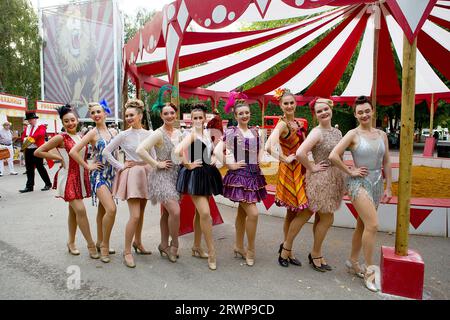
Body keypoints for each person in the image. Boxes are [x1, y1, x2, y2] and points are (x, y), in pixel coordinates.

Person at [329, 95, 392, 292]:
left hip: (376, 184)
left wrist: (389, 186)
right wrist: (351, 171)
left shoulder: (382, 135)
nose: (364, 114)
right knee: (372, 225)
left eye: (367, 111)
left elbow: (387, 162)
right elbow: (333, 155)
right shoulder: (352, 134)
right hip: (358, 184)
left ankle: (353, 261)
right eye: (360, 112)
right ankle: (369, 271)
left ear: (372, 111)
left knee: (362, 225)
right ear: (356, 115)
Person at [34, 104, 99, 259]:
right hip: (68, 177)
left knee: (74, 211)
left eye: (72, 120)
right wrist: (58, 157)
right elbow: (38, 152)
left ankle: (70, 242)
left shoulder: (81, 137)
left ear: (77, 120)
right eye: (66, 121)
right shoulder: (60, 137)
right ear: (62, 123)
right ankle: (91, 244)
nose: (70, 123)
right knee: (81, 211)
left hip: (81, 178)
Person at [214, 98, 267, 267]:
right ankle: (250, 249)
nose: (244, 115)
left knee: (243, 213)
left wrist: (260, 160)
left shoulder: (255, 132)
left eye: (247, 113)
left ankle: (238, 245)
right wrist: (230, 164)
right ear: (235, 115)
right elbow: (216, 150)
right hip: (240, 176)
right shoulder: (231, 132)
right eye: (241, 113)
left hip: (254, 175)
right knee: (253, 213)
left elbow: (259, 150)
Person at [102, 99, 155, 268]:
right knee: (135, 215)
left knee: (142, 212)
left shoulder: (149, 134)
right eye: (126, 116)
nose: (129, 118)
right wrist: (120, 166)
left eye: (132, 115)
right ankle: (126, 251)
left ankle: (138, 242)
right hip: (132, 175)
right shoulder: (123, 135)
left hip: (146, 173)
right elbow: (106, 152)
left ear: (139, 116)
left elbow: (153, 157)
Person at [296, 98, 346, 272]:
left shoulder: (338, 133)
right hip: (321, 179)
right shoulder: (317, 132)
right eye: (319, 111)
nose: (324, 112)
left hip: (333, 178)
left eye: (326, 109)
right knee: (325, 217)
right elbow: (300, 153)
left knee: (315, 216)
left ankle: (289, 248)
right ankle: (314, 253)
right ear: (315, 115)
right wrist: (312, 167)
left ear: (331, 109)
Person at [265, 88, 312, 268]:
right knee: (292, 212)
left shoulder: (296, 123)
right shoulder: (282, 124)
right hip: (290, 171)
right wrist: (284, 158)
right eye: (286, 103)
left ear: (296, 104)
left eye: (292, 102)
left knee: (292, 212)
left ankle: (286, 248)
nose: (289, 105)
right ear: (281, 105)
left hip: (299, 170)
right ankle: (286, 250)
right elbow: (269, 146)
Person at [174, 103, 223, 270]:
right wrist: (187, 164)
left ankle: (196, 246)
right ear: (191, 120)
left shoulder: (208, 134)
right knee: (205, 213)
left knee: (199, 213)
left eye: (200, 117)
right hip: (194, 175)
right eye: (194, 118)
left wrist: (215, 159)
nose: (197, 120)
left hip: (207, 174)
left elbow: (213, 153)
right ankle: (212, 251)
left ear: (204, 119)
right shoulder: (192, 135)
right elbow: (177, 150)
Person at [69, 101, 118, 263]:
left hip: (112, 176)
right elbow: (73, 151)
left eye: (99, 111)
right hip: (99, 176)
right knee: (111, 209)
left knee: (103, 212)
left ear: (105, 114)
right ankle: (104, 245)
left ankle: (99, 241)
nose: (96, 114)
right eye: (93, 113)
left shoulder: (113, 131)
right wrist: (87, 166)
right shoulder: (92, 134)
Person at [137, 96, 182, 263]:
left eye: (172, 113)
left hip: (176, 176)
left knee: (167, 213)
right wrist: (157, 164)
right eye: (166, 113)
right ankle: (174, 245)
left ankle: (163, 244)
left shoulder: (180, 133)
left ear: (175, 115)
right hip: (161, 177)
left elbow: (184, 154)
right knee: (175, 211)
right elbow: (141, 150)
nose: (169, 116)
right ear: (161, 116)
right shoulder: (158, 133)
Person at [19, 112, 52, 193]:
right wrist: (26, 139)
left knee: (40, 167)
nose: (30, 121)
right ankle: (29, 186)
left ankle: (48, 183)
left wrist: (29, 139)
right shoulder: (28, 128)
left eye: (31, 119)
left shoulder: (41, 126)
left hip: (37, 149)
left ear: (35, 119)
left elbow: (40, 134)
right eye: (29, 120)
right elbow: (23, 136)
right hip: (28, 150)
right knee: (29, 168)